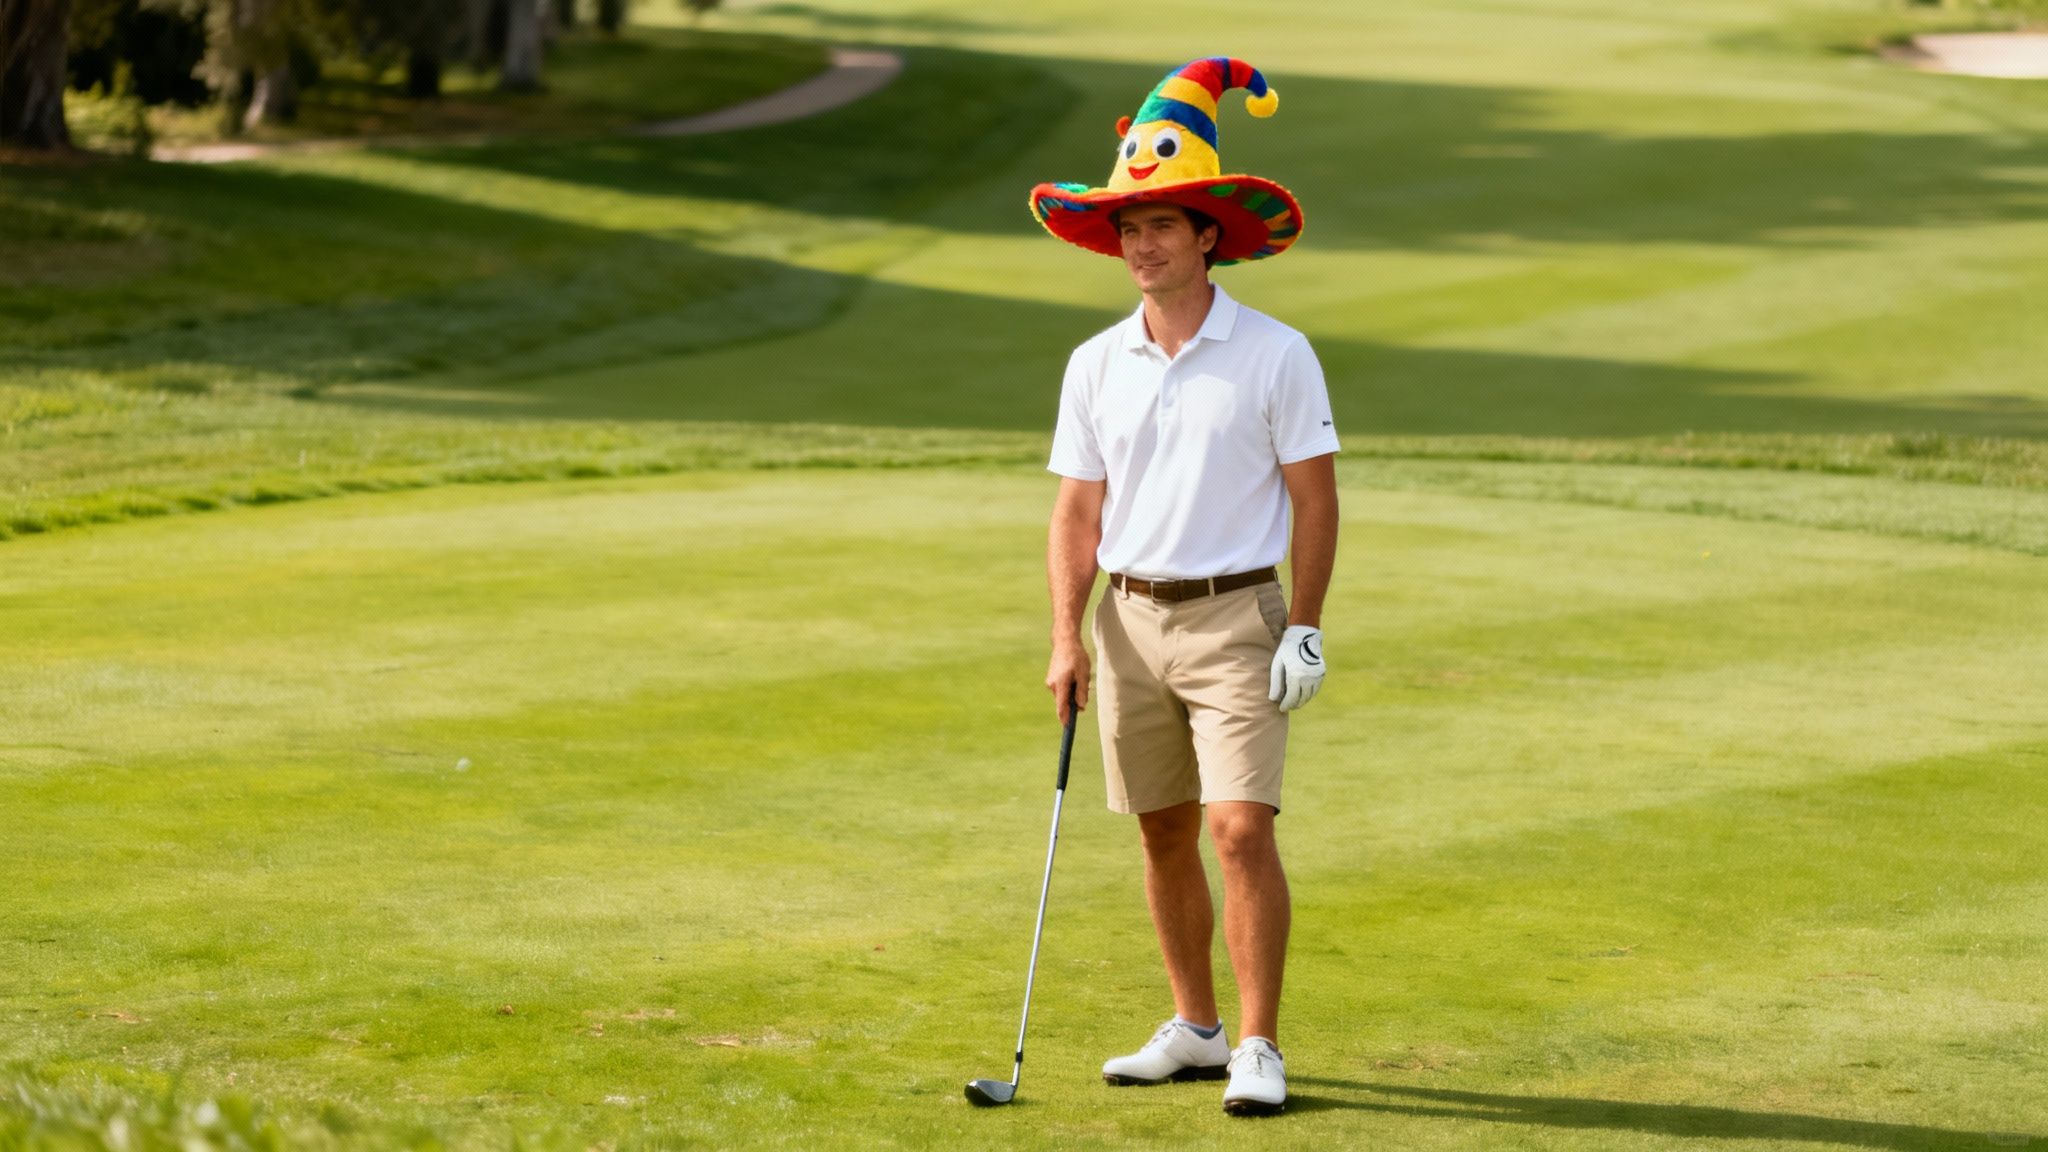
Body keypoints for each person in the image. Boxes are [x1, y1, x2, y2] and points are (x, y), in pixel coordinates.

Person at [1027, 57, 1339, 1117]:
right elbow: (1076, 511)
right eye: (1125, 227)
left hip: (1235, 615)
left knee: (1237, 828)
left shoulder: (1275, 353)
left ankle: (1256, 1044)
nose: (1140, 243)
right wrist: (1067, 638)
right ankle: (1194, 1027)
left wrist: (1303, 627)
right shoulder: (1094, 362)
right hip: (1127, 620)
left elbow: (1314, 498)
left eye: (1160, 224)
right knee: (1161, 828)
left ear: (1208, 234)